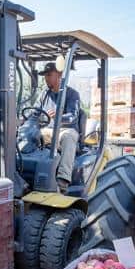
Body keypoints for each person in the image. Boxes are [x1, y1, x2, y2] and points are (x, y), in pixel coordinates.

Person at [37, 62, 81, 192]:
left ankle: (63, 180)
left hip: (64, 130)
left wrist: (58, 117)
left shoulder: (72, 94)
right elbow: (34, 112)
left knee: (69, 137)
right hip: (47, 131)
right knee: (27, 135)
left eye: (49, 75)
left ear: (60, 75)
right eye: (45, 75)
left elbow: (73, 116)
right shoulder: (44, 95)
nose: (46, 78)